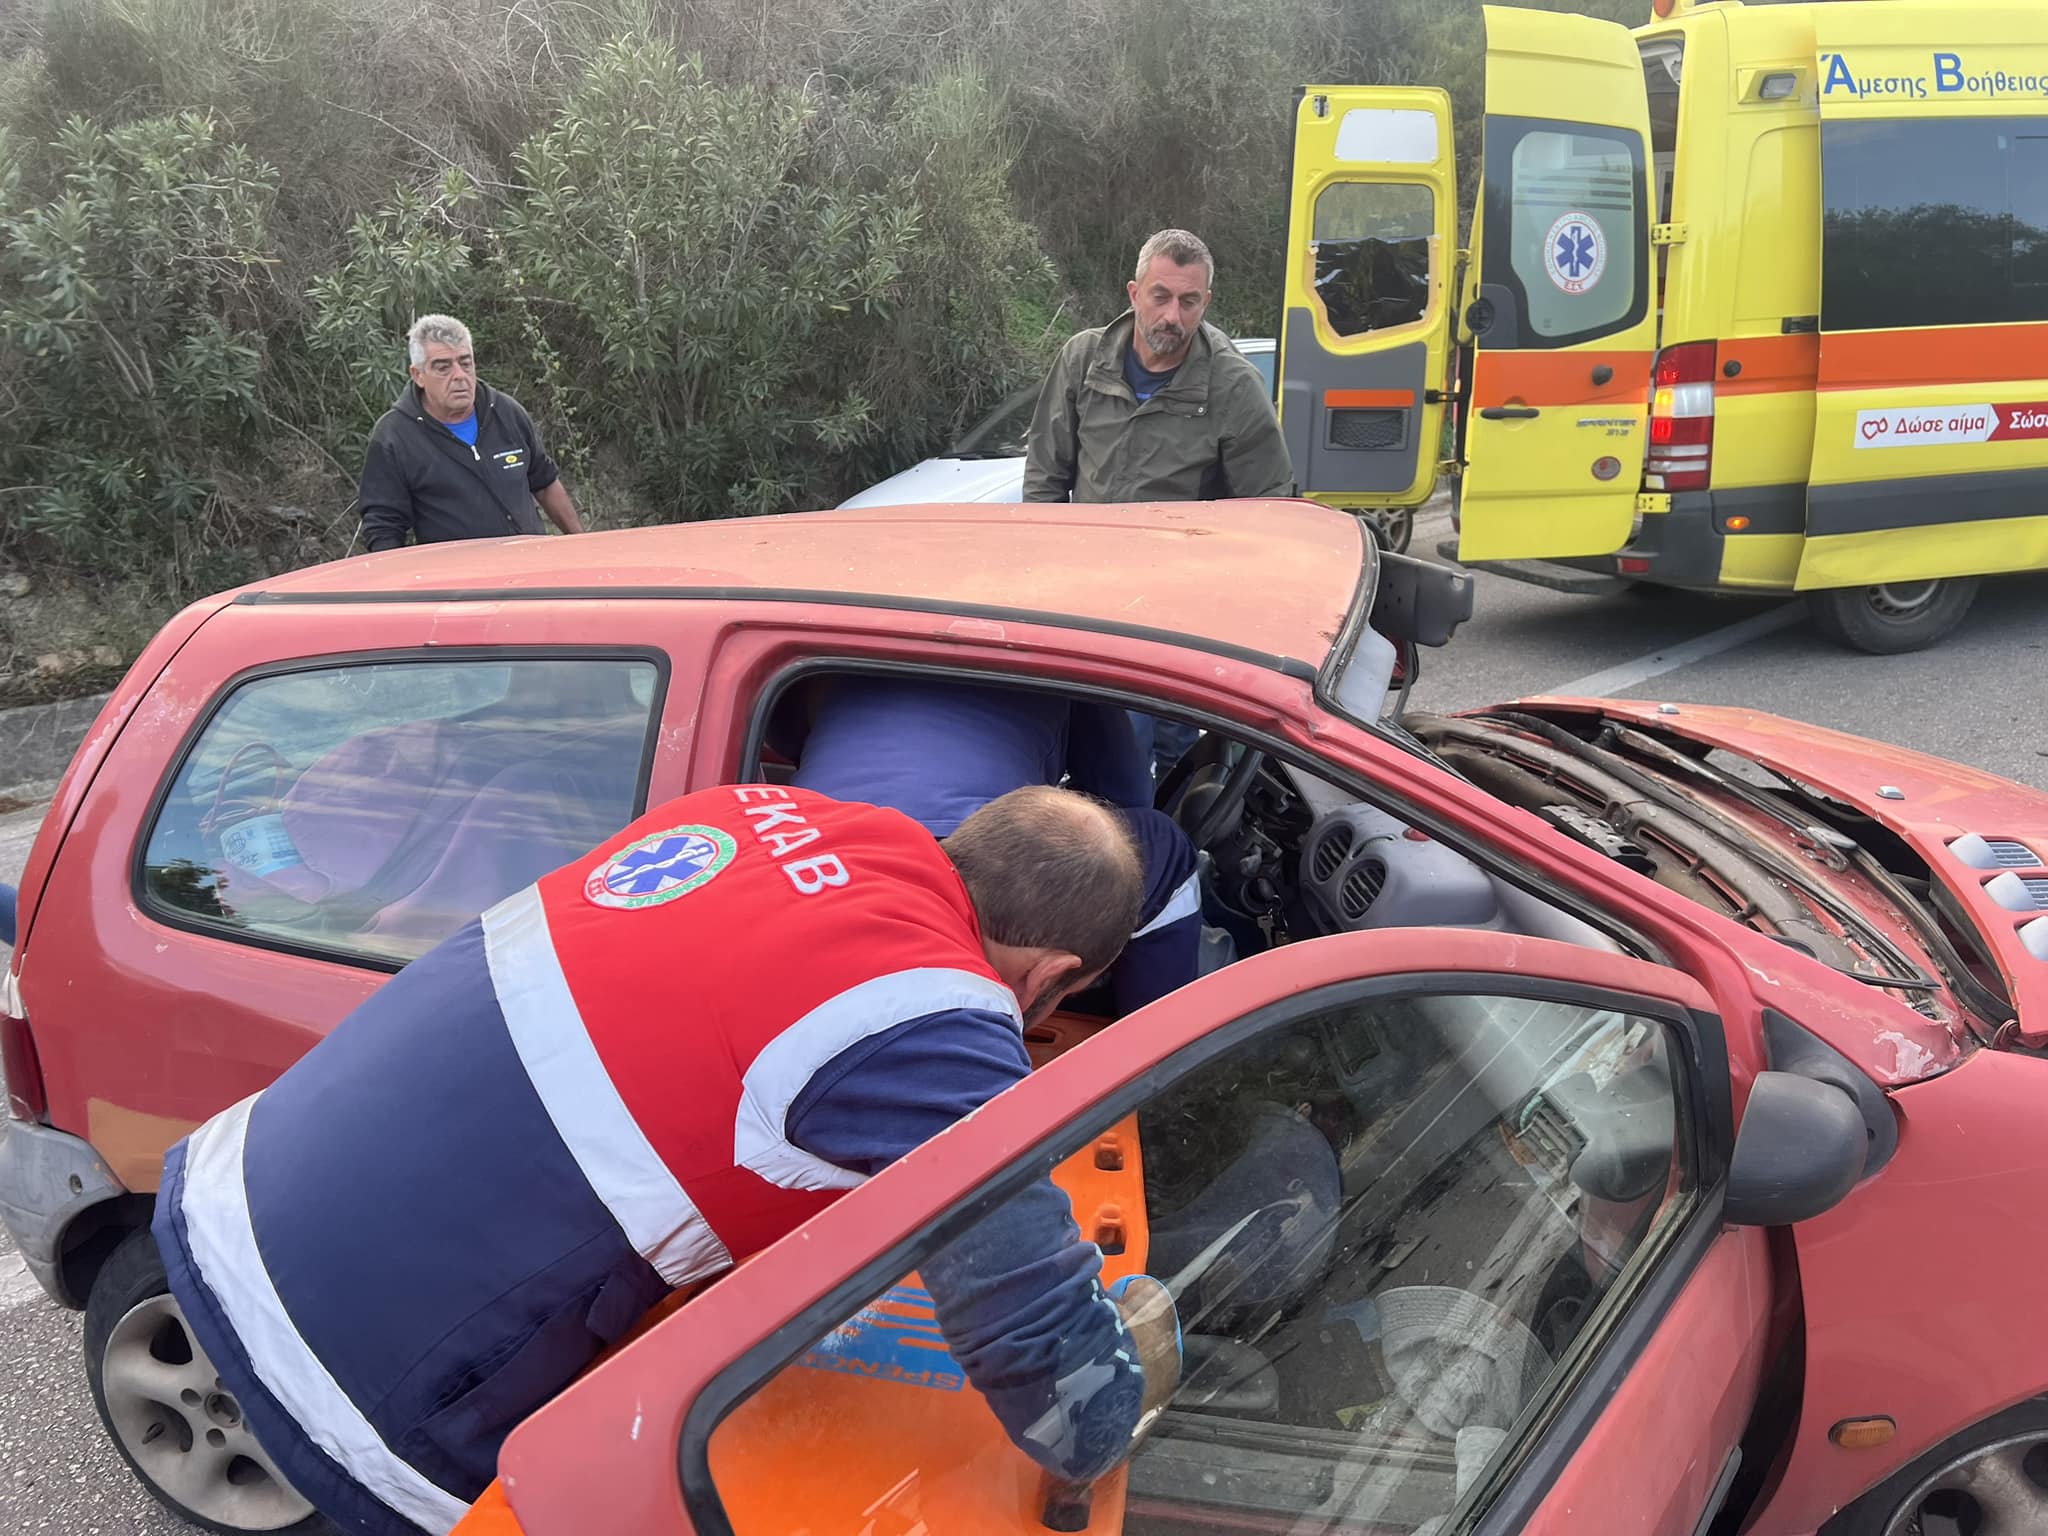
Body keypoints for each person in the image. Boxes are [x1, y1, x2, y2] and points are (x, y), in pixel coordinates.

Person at [153, 784, 1181, 1535]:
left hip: (235, 1181)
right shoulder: (930, 1020)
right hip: (363, 1364)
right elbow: (1056, 1385)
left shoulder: (760, 812)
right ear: (1052, 977)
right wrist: (1126, 1378)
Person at [786, 676, 1204, 1013]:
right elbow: (1124, 799)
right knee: (1163, 848)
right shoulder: (1066, 656)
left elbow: (789, 736)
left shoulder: (862, 641)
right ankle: (1161, 1067)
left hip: (801, 847)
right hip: (963, 841)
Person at [1022, 228, 1293, 506]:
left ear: (1205, 303)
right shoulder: (1082, 358)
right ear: (1134, 294)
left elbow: (1267, 502)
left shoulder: (1235, 384)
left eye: (1188, 301)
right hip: (1092, 534)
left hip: (1184, 535)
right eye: (1160, 297)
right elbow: (1043, 478)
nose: (1172, 316)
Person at [357, 314, 586, 553]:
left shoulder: (506, 413)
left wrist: (583, 546)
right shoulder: (394, 436)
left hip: (530, 565)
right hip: (457, 574)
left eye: (465, 363)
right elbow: (383, 527)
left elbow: (545, 483)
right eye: (443, 367)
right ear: (418, 375)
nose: (459, 375)